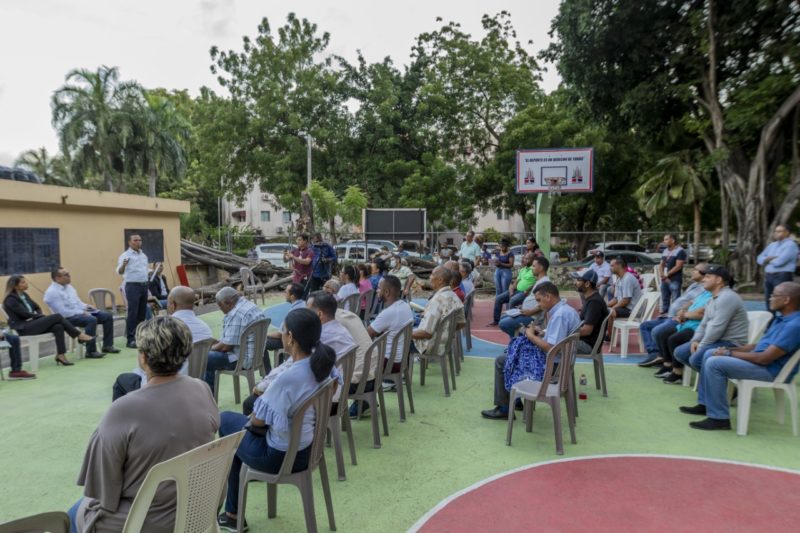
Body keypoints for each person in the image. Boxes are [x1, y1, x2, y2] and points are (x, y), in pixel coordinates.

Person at [68, 317, 219, 533]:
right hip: (196, 510)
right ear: (186, 352)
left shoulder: (123, 410)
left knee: (71, 516)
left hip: (143, 521)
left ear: (143, 358)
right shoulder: (202, 389)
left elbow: (102, 490)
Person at [216, 308, 338, 532]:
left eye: (283, 332)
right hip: (310, 449)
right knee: (237, 435)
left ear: (290, 337)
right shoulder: (324, 364)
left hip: (280, 457)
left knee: (225, 422)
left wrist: (254, 419)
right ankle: (233, 510)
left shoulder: (288, 378)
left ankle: (233, 513)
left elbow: (258, 421)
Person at [680, 281, 800, 431]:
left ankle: (719, 418)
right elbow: (760, 346)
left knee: (714, 363)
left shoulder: (794, 325)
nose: (770, 298)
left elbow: (765, 358)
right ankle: (706, 404)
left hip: (771, 371)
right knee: (709, 353)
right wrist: (733, 349)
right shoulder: (781, 318)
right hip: (761, 363)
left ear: (787, 300)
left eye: (774, 295)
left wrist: (730, 353)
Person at [481, 282, 581, 419]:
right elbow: (557, 339)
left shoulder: (559, 316)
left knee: (503, 360)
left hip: (552, 367)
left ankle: (504, 408)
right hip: (560, 364)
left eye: (539, 300)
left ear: (549, 297)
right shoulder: (566, 310)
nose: (539, 305)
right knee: (514, 353)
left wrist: (531, 336)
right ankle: (515, 400)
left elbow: (551, 348)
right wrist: (543, 332)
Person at [112, 286, 215, 400]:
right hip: (193, 382)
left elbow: (144, 366)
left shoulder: (163, 329)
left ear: (173, 304)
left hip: (161, 385)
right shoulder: (205, 328)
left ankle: (128, 415)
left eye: (168, 302)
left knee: (123, 380)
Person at [672, 265, 750, 375]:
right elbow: (704, 325)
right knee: (681, 352)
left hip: (730, 343)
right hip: (717, 340)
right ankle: (715, 380)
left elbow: (716, 329)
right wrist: (695, 340)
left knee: (696, 359)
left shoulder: (727, 297)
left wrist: (701, 346)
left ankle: (718, 381)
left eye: (708, 277)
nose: (703, 279)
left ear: (718, 280)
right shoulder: (712, 300)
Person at [3, 275, 93, 366]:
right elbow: (23, 314)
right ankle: (79, 335)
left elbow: (37, 307)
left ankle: (61, 355)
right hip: (23, 327)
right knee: (57, 316)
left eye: (25, 281)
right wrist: (39, 317)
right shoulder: (10, 299)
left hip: (32, 323)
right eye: (23, 282)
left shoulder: (24, 295)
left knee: (58, 326)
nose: (26, 283)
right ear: (15, 286)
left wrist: (38, 315)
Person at [637, 263, 709, 368]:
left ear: (704, 274)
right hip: (671, 316)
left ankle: (665, 359)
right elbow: (687, 302)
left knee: (658, 331)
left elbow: (696, 307)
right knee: (645, 325)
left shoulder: (705, 289)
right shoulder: (694, 285)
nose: (692, 271)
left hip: (681, 319)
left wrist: (682, 314)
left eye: (696, 270)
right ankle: (655, 354)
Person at [44, 266, 120, 359]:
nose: (69, 276)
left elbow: (77, 302)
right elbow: (63, 313)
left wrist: (86, 307)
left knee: (107, 316)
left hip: (80, 313)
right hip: (67, 318)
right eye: (66, 275)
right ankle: (90, 351)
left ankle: (107, 345)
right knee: (91, 320)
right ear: (57, 278)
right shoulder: (52, 292)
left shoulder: (69, 287)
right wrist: (81, 312)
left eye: (69, 273)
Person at [204, 287, 264, 393]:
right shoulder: (251, 306)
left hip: (243, 360)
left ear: (229, 303)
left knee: (205, 358)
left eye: (220, 305)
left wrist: (209, 349)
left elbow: (225, 347)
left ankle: (207, 398)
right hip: (257, 355)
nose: (220, 309)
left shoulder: (236, 314)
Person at [655, 283, 713, 384]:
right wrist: (682, 312)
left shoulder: (715, 296)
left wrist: (685, 314)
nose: (705, 280)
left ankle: (677, 372)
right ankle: (668, 365)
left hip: (697, 328)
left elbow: (700, 313)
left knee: (674, 339)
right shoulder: (704, 293)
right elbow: (690, 304)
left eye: (708, 277)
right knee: (663, 334)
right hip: (686, 324)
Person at [411, 267, 466, 355]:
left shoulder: (437, 301)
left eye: (432, 274)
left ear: (440, 280)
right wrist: (445, 331)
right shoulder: (453, 296)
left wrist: (405, 333)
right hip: (444, 344)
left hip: (430, 346)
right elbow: (462, 323)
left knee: (396, 339)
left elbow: (427, 333)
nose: (430, 277)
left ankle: (397, 367)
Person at [497, 256, 551, 339]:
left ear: (541, 268)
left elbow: (543, 305)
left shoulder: (545, 283)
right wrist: (522, 307)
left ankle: (524, 340)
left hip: (532, 317)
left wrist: (530, 312)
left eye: (533, 266)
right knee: (503, 317)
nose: (531, 268)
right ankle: (516, 343)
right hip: (527, 313)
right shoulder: (540, 281)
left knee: (503, 323)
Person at [117, 234, 149, 349]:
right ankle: (130, 339)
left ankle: (139, 337)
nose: (138, 242)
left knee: (142, 313)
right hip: (132, 286)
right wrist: (124, 266)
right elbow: (119, 271)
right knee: (133, 313)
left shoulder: (143, 255)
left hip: (144, 285)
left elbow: (144, 270)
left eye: (140, 240)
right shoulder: (125, 256)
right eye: (135, 240)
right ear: (129, 242)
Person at [757, 224, 799, 313]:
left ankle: (786, 324)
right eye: (775, 231)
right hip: (769, 276)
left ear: (787, 233)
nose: (776, 233)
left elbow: (779, 262)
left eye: (779, 231)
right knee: (769, 303)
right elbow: (759, 259)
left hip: (782, 276)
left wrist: (767, 260)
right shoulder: (772, 245)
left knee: (783, 303)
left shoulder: (791, 245)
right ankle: (771, 323)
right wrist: (769, 258)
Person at [261, 283, 306, 366]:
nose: (284, 295)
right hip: (304, 339)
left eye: (286, 292)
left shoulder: (292, 312)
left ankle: (267, 373)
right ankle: (279, 365)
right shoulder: (305, 304)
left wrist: (265, 335)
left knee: (261, 343)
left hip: (294, 341)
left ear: (292, 297)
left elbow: (280, 334)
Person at [570, 270, 610, 354]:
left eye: (578, 280)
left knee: (552, 342)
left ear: (587, 284)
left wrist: (565, 332)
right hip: (583, 341)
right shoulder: (591, 299)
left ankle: (557, 367)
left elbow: (586, 331)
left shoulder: (594, 303)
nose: (575, 283)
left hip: (587, 345)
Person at [490, 252, 536, 325]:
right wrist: (511, 289)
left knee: (512, 300)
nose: (525, 260)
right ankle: (496, 321)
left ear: (533, 260)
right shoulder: (523, 269)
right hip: (515, 290)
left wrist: (527, 290)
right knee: (498, 298)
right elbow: (516, 281)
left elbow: (536, 282)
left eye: (527, 259)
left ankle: (510, 321)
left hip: (524, 293)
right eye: (525, 258)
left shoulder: (534, 270)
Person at [605, 256, 643, 338]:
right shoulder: (619, 279)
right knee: (604, 309)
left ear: (619, 265)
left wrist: (612, 308)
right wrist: (605, 305)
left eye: (612, 265)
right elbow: (616, 299)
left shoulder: (627, 278)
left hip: (632, 310)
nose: (610, 268)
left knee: (610, 312)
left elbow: (626, 300)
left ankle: (609, 336)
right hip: (626, 308)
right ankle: (604, 334)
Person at [659, 234, 687, 313]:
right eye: (664, 239)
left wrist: (667, 275)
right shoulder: (665, 251)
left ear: (673, 240)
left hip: (675, 279)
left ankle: (673, 315)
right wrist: (662, 275)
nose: (664, 241)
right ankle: (664, 314)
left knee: (675, 299)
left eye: (666, 239)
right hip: (664, 278)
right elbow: (661, 264)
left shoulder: (680, 251)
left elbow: (678, 266)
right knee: (665, 297)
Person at [492, 238, 515, 304]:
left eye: (504, 246)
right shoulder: (498, 253)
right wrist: (495, 263)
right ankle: (498, 307)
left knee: (505, 290)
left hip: (506, 272)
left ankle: (508, 308)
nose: (502, 248)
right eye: (501, 246)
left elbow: (511, 264)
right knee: (498, 290)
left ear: (507, 246)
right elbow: (496, 261)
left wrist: (501, 263)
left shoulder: (510, 254)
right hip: (498, 271)